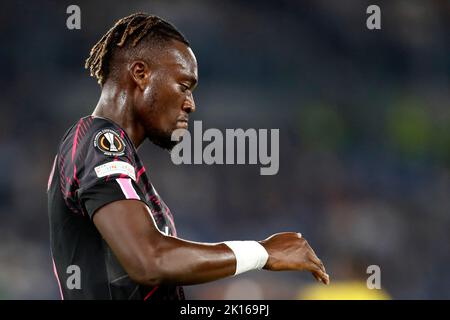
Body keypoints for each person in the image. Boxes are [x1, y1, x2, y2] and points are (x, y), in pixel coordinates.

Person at [47, 12, 329, 300]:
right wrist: (262, 252)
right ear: (140, 73)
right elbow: (149, 260)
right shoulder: (98, 139)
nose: (191, 104)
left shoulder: (120, 162)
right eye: (184, 86)